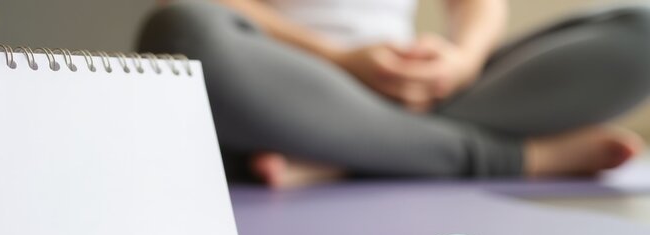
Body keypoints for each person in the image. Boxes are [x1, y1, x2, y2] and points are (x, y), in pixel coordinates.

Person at [138, 0, 650, 187]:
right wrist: (338, 62)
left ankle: (343, 155)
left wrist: (463, 59)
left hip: (430, 90)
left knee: (640, 27)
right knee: (181, 29)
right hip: (295, 82)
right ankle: (514, 156)